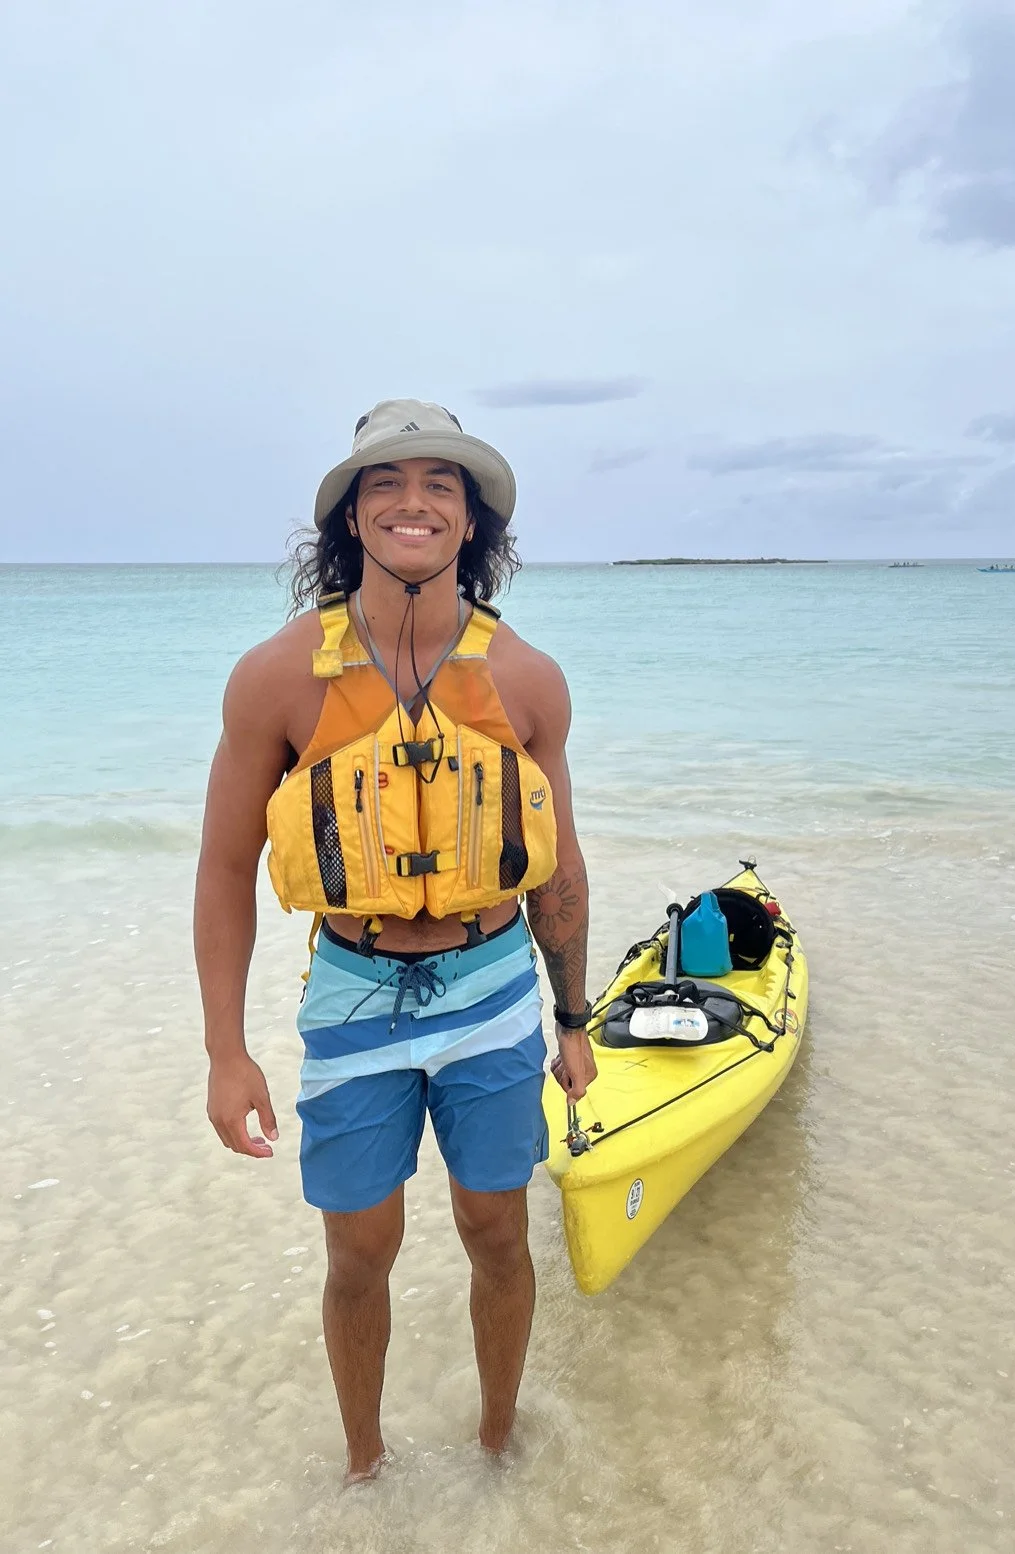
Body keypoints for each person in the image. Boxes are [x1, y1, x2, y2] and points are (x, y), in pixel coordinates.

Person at [194, 399, 596, 1482]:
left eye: (440, 486)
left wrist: (573, 1017)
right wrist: (224, 1051)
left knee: (497, 1233)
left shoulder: (528, 679)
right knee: (359, 1251)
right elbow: (227, 868)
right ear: (351, 518)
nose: (413, 502)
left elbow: (557, 864)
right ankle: (364, 1472)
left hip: (494, 989)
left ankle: (499, 1448)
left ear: (471, 523)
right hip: (356, 996)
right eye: (387, 483)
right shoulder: (277, 678)